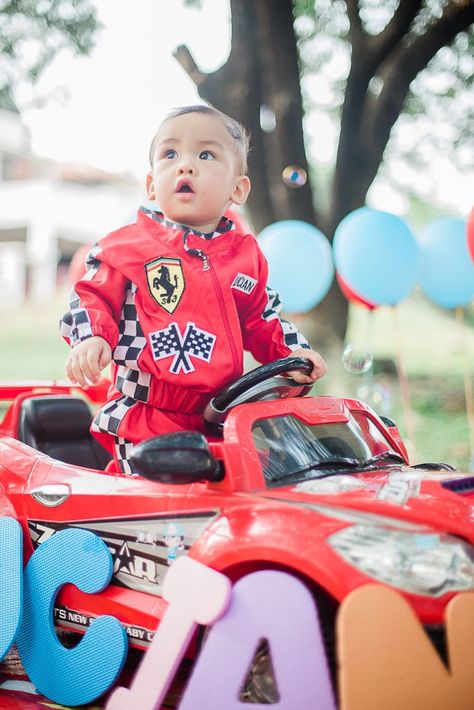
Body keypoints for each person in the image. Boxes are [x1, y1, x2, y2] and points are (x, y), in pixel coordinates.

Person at [61, 104, 326, 474]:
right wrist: (92, 337)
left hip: (223, 414)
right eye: (170, 154)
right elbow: (91, 295)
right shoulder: (126, 247)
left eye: (206, 154)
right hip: (148, 413)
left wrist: (293, 352)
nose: (185, 165)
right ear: (152, 184)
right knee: (153, 498)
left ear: (238, 188)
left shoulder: (244, 258)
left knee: (236, 492)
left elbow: (263, 317)